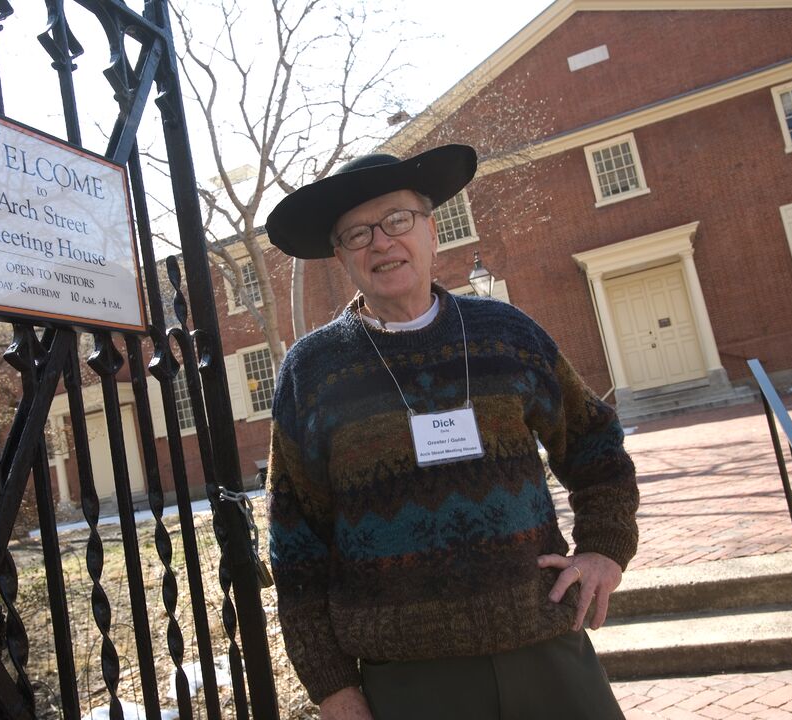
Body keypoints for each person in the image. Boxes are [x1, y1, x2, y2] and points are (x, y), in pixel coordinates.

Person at [263, 144, 639, 720]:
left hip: (546, 653)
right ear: (340, 257)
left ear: (432, 230)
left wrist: (604, 549)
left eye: (397, 220)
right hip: (410, 685)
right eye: (358, 234)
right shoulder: (312, 372)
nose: (382, 242)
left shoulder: (507, 334)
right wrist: (332, 687)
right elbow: (296, 544)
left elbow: (594, 442)